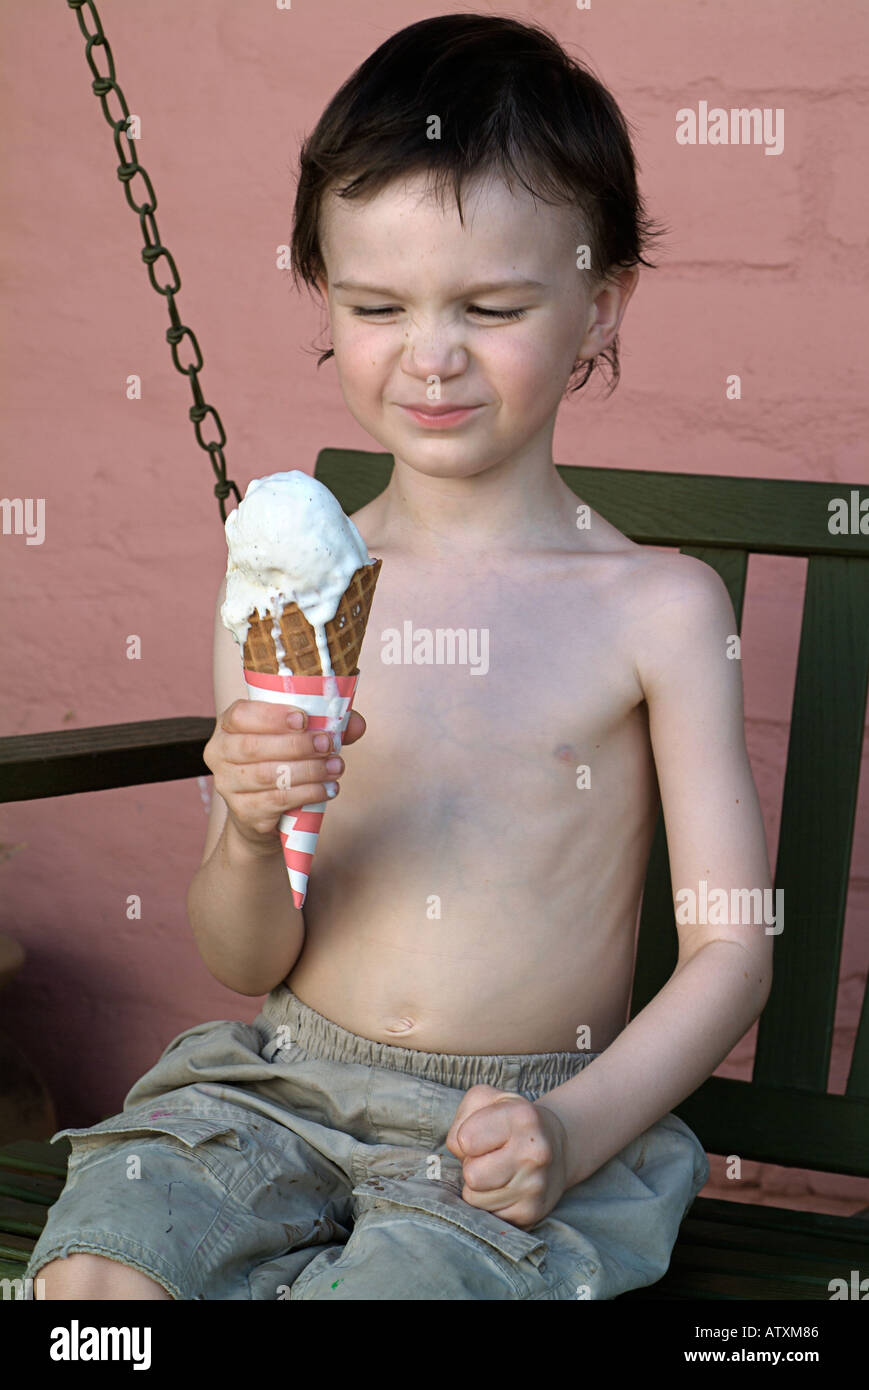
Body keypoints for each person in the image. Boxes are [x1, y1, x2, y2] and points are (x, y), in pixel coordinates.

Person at [27, 13, 772, 1301]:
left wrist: (572, 1132)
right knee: (99, 1286)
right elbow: (244, 958)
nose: (430, 356)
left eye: (491, 307)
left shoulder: (657, 607)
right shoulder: (294, 593)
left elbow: (731, 953)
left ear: (601, 301)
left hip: (515, 1131)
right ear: (325, 293)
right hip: (275, 1093)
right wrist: (251, 835)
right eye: (377, 305)